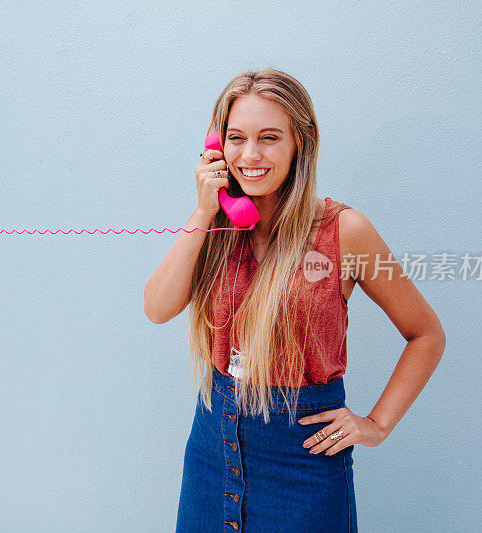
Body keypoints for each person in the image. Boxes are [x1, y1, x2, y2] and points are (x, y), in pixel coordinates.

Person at [143, 69, 446, 532]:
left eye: (269, 138)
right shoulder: (215, 226)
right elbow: (157, 308)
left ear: (299, 143)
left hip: (302, 461)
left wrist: (376, 425)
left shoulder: (345, 231)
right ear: (216, 146)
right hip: (211, 448)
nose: (250, 155)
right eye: (236, 138)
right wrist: (204, 208)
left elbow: (426, 334)